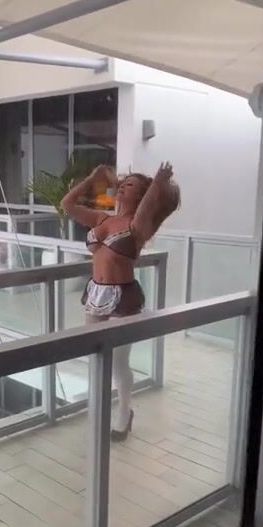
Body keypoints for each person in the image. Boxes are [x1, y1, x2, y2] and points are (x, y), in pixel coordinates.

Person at [61, 162, 180, 441]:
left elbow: (147, 208)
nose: (123, 186)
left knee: (118, 362)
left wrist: (157, 184)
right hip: (95, 293)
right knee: (96, 357)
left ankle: (124, 414)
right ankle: (101, 410)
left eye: (131, 185)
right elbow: (67, 205)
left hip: (123, 297)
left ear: (142, 196)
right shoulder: (102, 219)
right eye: (123, 183)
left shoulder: (139, 226)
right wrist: (91, 178)